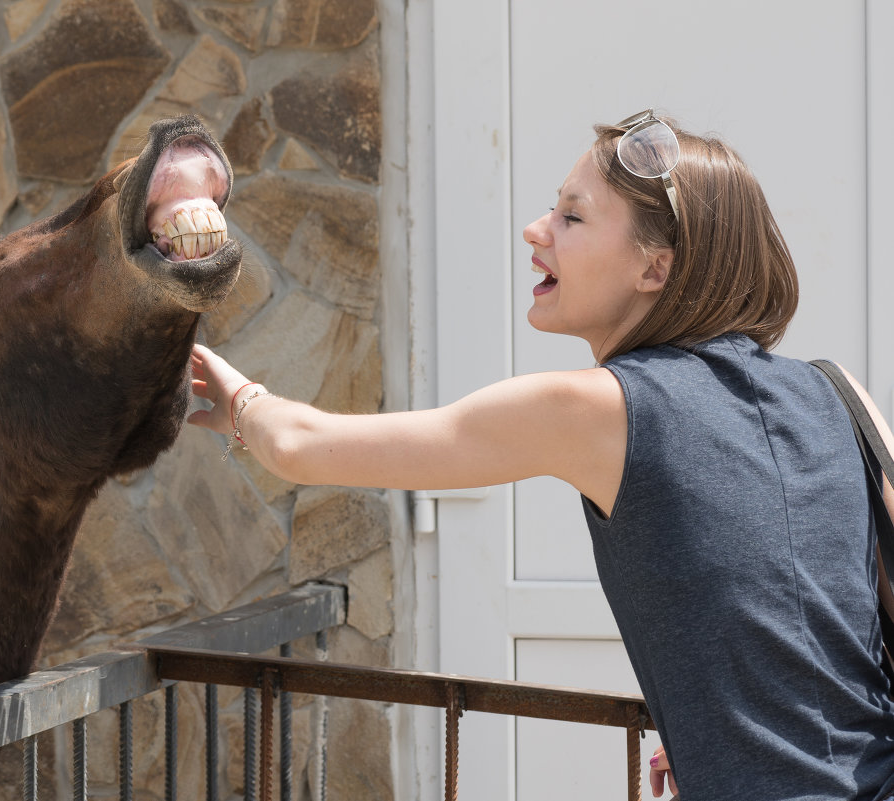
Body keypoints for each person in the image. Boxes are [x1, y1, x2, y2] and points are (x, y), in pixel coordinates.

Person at [187, 110, 894, 800]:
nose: (535, 231)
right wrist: (719, 738)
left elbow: (304, 446)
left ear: (655, 267)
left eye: (571, 217)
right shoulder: (839, 393)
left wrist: (239, 399)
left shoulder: (600, 408)